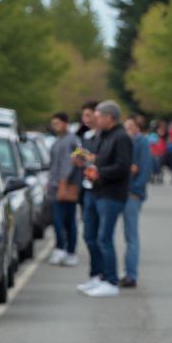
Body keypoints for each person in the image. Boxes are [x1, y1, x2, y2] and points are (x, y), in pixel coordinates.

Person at [78, 101, 133, 298]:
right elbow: (97, 159)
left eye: (99, 115)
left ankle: (111, 280)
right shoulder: (102, 135)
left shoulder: (121, 137)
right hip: (96, 192)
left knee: (104, 238)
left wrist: (99, 172)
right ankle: (98, 276)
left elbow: (122, 166)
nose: (96, 119)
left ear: (109, 117)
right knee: (90, 236)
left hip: (111, 194)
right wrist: (87, 162)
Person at [121, 115, 153, 288]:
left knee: (131, 236)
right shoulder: (129, 142)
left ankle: (131, 275)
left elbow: (144, 169)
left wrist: (136, 191)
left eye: (130, 126)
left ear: (137, 127)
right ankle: (127, 272)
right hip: (124, 192)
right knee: (127, 235)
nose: (128, 130)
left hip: (132, 194)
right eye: (126, 127)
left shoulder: (141, 143)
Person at [47, 112, 81, 266]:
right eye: (53, 124)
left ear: (65, 123)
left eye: (57, 123)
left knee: (63, 220)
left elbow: (68, 164)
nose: (55, 126)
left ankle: (65, 250)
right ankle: (66, 250)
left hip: (65, 186)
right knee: (64, 220)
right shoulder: (59, 140)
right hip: (57, 185)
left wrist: (62, 183)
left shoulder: (70, 140)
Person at [75, 102, 101, 285]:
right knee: (89, 235)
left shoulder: (102, 137)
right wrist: (80, 159)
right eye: (83, 115)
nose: (85, 119)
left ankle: (102, 275)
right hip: (86, 188)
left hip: (100, 190)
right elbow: (83, 160)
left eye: (88, 115)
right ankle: (94, 274)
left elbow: (99, 159)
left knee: (99, 237)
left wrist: (87, 158)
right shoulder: (84, 135)